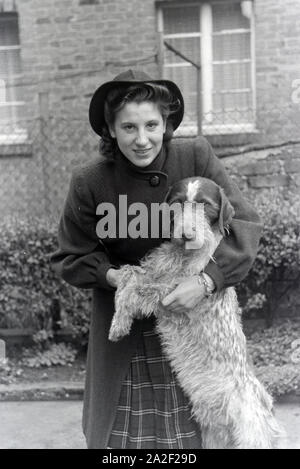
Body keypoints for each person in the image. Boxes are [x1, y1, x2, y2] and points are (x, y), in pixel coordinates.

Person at [50, 69, 262, 449]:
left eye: (152, 124)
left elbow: (243, 223)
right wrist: (115, 276)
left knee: (194, 439)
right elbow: (71, 254)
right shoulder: (90, 180)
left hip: (191, 328)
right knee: (122, 443)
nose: (143, 139)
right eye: (128, 127)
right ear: (111, 130)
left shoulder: (195, 156)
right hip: (127, 331)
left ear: (166, 123)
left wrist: (206, 282)